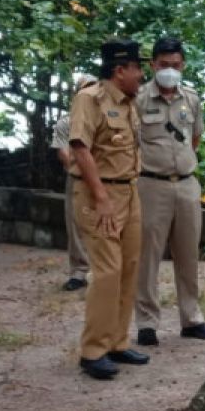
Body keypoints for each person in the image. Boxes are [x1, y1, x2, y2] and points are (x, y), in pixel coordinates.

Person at [69, 37, 148, 380]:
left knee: (130, 266)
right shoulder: (89, 99)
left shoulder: (129, 102)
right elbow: (80, 148)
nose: (141, 75)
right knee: (107, 271)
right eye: (137, 68)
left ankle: (117, 341)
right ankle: (93, 350)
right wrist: (101, 198)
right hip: (99, 196)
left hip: (129, 193)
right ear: (120, 70)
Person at [134, 37, 205, 345]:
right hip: (150, 184)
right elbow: (130, 143)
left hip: (185, 184)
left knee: (188, 253)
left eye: (176, 65)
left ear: (183, 65)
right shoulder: (139, 99)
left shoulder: (191, 98)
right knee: (148, 255)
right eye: (164, 65)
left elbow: (194, 139)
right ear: (153, 65)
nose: (170, 70)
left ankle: (192, 318)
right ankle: (146, 322)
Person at [51, 73, 97, 292]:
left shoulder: (107, 120)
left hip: (108, 180)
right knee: (76, 225)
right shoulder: (65, 123)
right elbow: (66, 157)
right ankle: (79, 272)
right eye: (85, 88)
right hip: (78, 180)